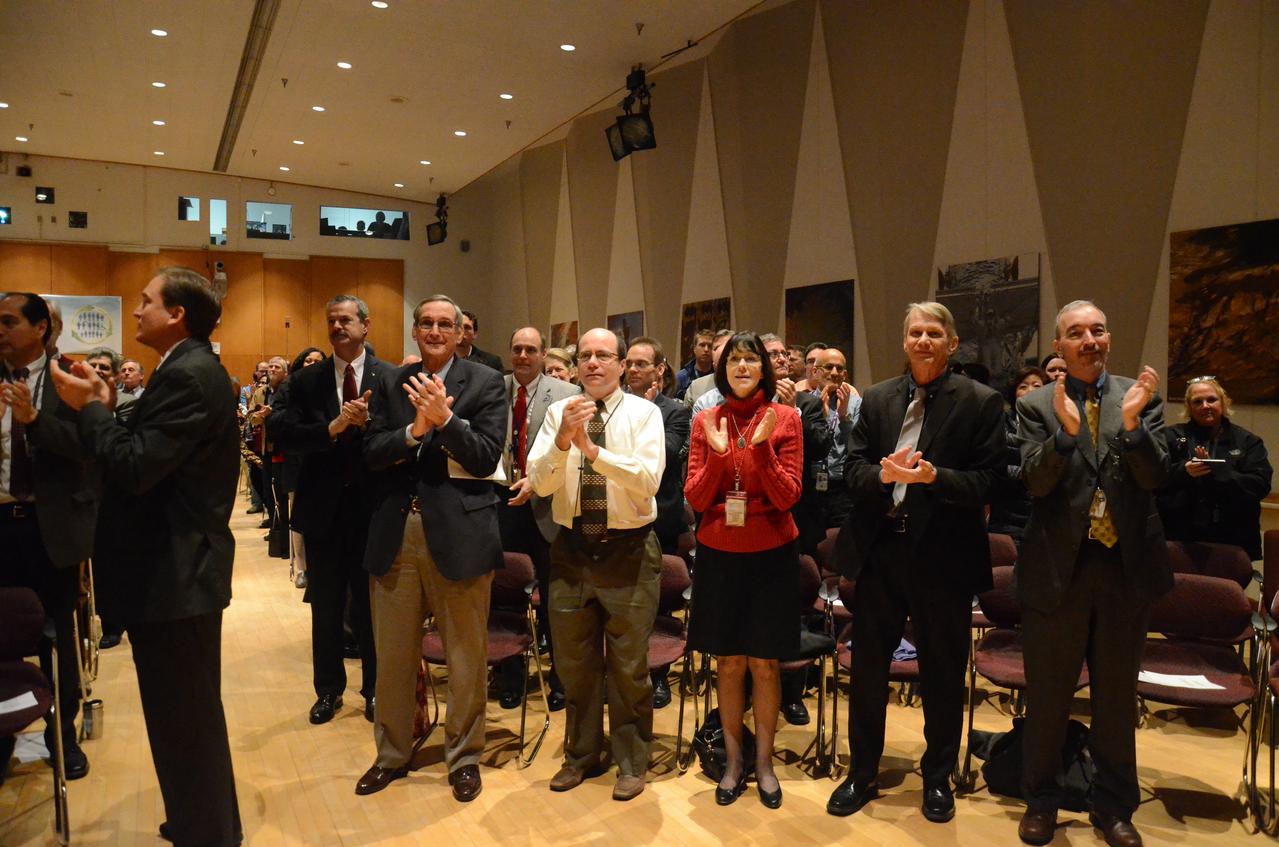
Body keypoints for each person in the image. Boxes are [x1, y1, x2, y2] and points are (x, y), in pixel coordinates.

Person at [50, 266, 242, 845]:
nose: (135, 311)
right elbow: (145, 448)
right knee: (178, 716)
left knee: (186, 718)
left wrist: (91, 408)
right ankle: (195, 820)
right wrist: (108, 402)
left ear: (176, 314)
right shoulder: (182, 367)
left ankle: (208, 832)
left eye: (145, 301)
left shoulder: (191, 373)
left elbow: (134, 467)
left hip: (179, 571)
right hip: (172, 569)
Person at [827, 301, 1005, 823]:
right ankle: (862, 772)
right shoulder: (880, 399)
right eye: (915, 333)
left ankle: (937, 777)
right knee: (867, 671)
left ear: (952, 344)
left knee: (943, 674)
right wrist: (884, 478)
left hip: (943, 557)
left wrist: (935, 479)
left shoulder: (981, 402)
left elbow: (992, 482)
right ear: (904, 343)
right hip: (881, 549)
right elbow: (852, 471)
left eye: (934, 333)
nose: (923, 340)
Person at [1015, 300, 1169, 847]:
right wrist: (1064, 437)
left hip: (1123, 571)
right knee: (1050, 697)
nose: (1089, 340)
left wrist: (1131, 425)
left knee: (1115, 699)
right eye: (1076, 333)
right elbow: (1033, 482)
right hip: (1059, 570)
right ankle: (1042, 800)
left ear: (1109, 338)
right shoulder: (1037, 403)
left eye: (1098, 330)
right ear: (1059, 346)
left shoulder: (1139, 396)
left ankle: (1114, 806)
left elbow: (1155, 477)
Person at [357, 294, 506, 802]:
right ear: (415, 331)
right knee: (393, 655)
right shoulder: (390, 382)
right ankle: (392, 753)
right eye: (427, 323)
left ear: (462, 331)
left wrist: (445, 421)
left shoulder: (486, 382)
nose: (437, 331)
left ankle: (463, 757)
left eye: (447, 323)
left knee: (465, 657)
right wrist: (412, 430)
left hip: (460, 536)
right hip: (397, 533)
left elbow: (487, 459)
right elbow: (372, 454)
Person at [526, 327, 665, 802]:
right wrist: (564, 440)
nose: (592, 364)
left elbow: (646, 481)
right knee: (575, 664)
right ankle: (581, 755)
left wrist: (593, 452)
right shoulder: (555, 414)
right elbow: (539, 483)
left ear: (623, 365)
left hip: (628, 548)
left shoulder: (645, 414)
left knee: (629, 666)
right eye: (585, 356)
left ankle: (631, 760)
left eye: (604, 356)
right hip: (570, 550)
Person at [685, 331, 803, 809]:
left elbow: (788, 496)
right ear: (723, 369)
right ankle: (733, 761)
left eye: (750, 359)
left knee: (765, 664)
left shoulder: (786, 418)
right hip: (719, 553)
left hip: (772, 554)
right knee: (729, 662)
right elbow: (695, 498)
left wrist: (758, 449)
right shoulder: (705, 421)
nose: (741, 367)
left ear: (763, 369)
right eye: (734, 359)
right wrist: (717, 453)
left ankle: (764, 763)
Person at [272, 297, 385, 726]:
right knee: (326, 607)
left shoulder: (387, 376)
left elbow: (398, 434)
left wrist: (369, 422)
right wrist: (331, 428)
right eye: (331, 320)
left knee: (372, 611)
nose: (338, 326)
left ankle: (374, 689)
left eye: (346, 320)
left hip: (374, 512)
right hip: (323, 512)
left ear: (365, 325)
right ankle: (328, 691)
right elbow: (284, 434)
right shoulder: (306, 381)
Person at [0, 292, 98, 781]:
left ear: (40, 328)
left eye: (8, 321)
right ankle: (4, 736)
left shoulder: (72, 380)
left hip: (48, 529)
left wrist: (34, 422)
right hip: (0, 524)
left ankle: (62, 738)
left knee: (57, 636)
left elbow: (87, 449)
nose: (0, 330)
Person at [494, 326, 579, 710]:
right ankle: (509, 675)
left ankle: (561, 678)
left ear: (544, 354)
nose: (523, 356)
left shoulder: (566, 393)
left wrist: (537, 479)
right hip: (502, 502)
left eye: (531, 349)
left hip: (547, 506)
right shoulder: (494, 388)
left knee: (554, 597)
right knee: (506, 595)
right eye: (517, 349)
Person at [624, 335, 691, 708]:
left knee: (656, 603)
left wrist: (642, 418)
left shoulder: (674, 410)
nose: (632, 370)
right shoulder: (610, 407)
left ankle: (657, 674)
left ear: (660, 370)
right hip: (617, 516)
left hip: (659, 518)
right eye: (629, 363)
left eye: (641, 364)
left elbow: (664, 454)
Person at [1156, 377, 1272, 560]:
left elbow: (1260, 485)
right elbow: (1151, 479)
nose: (1205, 406)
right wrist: (1183, 471)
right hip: (1179, 538)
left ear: (1223, 402)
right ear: (1188, 407)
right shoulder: (1170, 437)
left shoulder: (1248, 441)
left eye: (1211, 399)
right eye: (1197, 402)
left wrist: (1220, 472)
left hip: (1233, 539)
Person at [988, 365, 1048, 547]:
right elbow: (990, 464)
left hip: (1046, 513)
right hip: (1009, 514)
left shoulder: (1057, 423)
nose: (1030, 390)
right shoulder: (1000, 422)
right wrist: (1024, 474)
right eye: (1023, 386)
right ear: (1014, 393)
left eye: (1037, 386)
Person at [812, 347, 862, 528]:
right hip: (812, 486)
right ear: (815, 372)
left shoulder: (857, 404)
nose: (834, 373)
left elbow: (857, 447)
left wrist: (843, 417)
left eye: (839, 369)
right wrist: (822, 419)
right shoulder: (806, 402)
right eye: (828, 367)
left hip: (843, 488)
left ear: (845, 374)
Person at [675, 328, 716, 398]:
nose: (706, 349)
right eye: (702, 345)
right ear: (694, 349)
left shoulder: (719, 376)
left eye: (710, 346)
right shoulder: (681, 377)